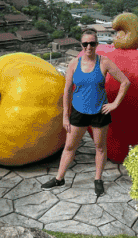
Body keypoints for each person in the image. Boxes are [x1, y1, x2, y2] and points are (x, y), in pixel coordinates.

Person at [42, 29, 130, 196]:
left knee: (100, 147)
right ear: (81, 45)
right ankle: (59, 179)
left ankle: (98, 179)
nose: (89, 47)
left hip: (99, 112)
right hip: (78, 111)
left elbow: (125, 82)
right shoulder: (74, 64)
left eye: (92, 43)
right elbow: (67, 91)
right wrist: (65, 117)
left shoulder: (104, 62)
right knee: (69, 147)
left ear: (96, 44)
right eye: (85, 44)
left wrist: (115, 104)